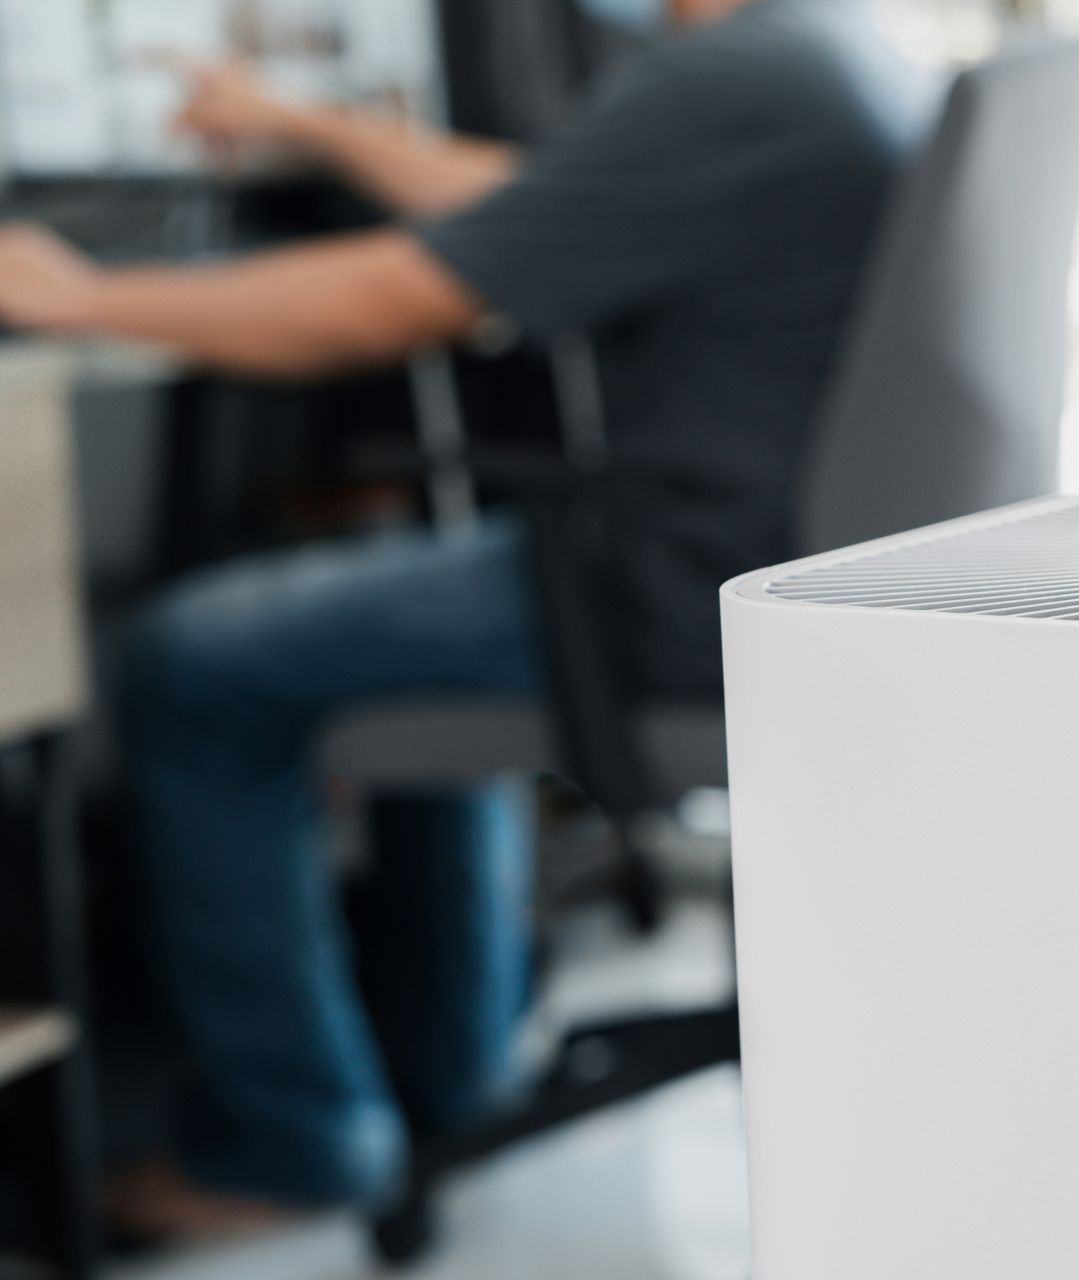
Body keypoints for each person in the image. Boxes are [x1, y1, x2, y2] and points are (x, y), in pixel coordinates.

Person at [0, 0, 931, 1236]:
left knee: (192, 658)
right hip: (764, 571)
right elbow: (532, 196)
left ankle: (291, 1139)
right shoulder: (825, 53)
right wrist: (298, 123)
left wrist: (85, 297)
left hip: (664, 588)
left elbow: (386, 301)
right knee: (383, 608)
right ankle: (459, 1063)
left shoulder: (743, 77)